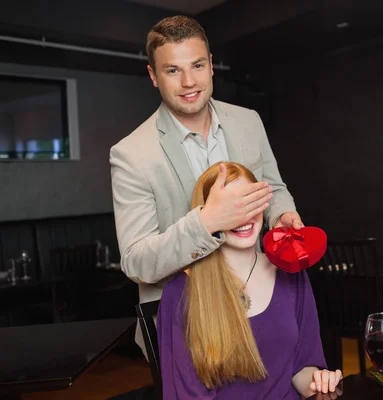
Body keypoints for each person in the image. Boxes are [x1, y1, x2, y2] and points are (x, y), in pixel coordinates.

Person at [110, 15, 303, 349]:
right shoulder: (130, 154)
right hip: (185, 327)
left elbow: (273, 187)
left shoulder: (248, 121)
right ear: (154, 76)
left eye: (197, 65)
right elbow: (137, 262)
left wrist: (281, 215)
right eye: (172, 70)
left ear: (212, 65)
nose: (189, 81)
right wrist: (208, 222)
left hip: (260, 307)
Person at [158, 162, 342, 399]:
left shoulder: (290, 274)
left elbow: (301, 369)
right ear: (207, 217)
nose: (243, 217)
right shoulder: (180, 294)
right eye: (231, 208)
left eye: (250, 203)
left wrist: (319, 382)